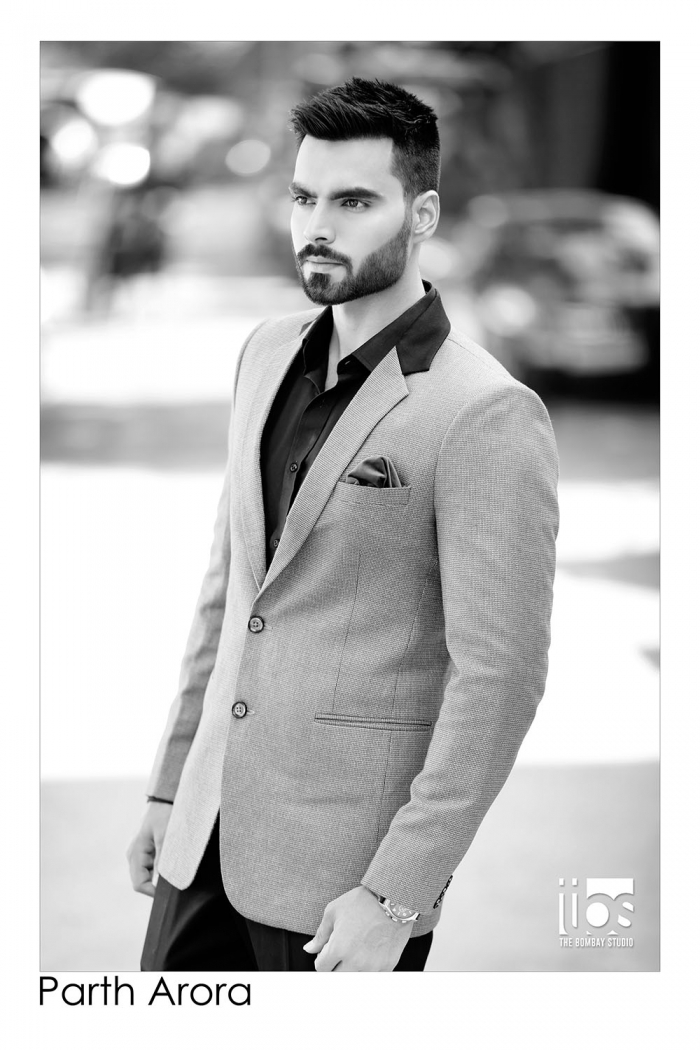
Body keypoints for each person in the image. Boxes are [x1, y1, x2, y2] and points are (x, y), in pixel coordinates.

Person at [128, 77, 559, 972]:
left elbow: (499, 679)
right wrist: (171, 789)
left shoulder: (484, 411)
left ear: (422, 213)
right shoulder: (264, 352)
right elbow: (229, 593)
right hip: (199, 847)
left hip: (342, 888)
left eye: (354, 201)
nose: (317, 225)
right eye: (304, 197)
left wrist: (399, 893)